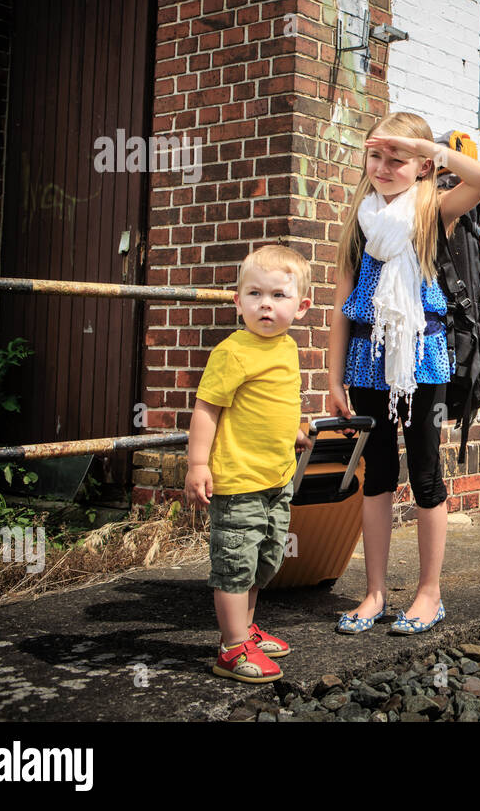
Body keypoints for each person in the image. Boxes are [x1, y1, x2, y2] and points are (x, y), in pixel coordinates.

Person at [327, 112, 480, 635]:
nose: (383, 166)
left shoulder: (433, 212)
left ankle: (428, 593)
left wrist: (429, 151)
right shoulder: (359, 222)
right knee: (375, 476)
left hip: (425, 359)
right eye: (375, 155)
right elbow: (340, 307)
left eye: (396, 158)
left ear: (421, 166)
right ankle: (374, 593)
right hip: (366, 362)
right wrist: (332, 378)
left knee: (424, 473)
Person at [184, 245, 314, 682]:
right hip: (238, 482)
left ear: (301, 307)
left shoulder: (288, 349)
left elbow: (280, 399)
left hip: (277, 479)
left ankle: (245, 631)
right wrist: (198, 464)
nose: (265, 304)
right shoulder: (233, 352)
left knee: (263, 559)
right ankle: (231, 649)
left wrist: (295, 428)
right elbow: (207, 408)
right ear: (237, 301)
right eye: (254, 294)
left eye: (279, 296)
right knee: (235, 565)